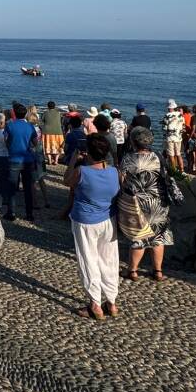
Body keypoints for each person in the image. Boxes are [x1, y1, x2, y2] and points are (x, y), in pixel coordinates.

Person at [64, 132, 120, 320]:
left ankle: (95, 304)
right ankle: (111, 302)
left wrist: (73, 160)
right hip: (108, 219)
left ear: (88, 152)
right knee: (109, 260)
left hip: (86, 220)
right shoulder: (114, 171)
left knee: (88, 260)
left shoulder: (83, 172)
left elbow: (67, 181)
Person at [120, 127, 173, 282]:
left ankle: (133, 271)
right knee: (158, 237)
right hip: (158, 200)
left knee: (139, 237)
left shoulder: (128, 158)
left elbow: (122, 181)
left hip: (138, 201)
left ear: (133, 141)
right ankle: (157, 272)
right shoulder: (158, 157)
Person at [4, 104, 37, 222]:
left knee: (12, 187)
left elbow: (6, 141)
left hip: (14, 159)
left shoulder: (10, 125)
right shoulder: (30, 126)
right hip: (27, 159)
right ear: (25, 114)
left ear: (14, 113)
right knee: (28, 187)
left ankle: (11, 212)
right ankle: (29, 214)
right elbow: (35, 142)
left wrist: (11, 148)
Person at [162, 100, 184, 173]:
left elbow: (164, 128)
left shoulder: (167, 115)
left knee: (171, 154)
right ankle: (181, 169)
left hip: (170, 138)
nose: (168, 109)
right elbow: (183, 125)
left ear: (170, 108)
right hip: (178, 137)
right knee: (178, 154)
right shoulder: (180, 115)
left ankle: (174, 170)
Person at [42, 101, 64, 165]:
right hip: (58, 131)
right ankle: (56, 160)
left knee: (47, 145)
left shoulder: (45, 113)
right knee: (58, 146)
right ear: (55, 106)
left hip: (47, 131)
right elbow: (60, 121)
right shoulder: (59, 113)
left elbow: (42, 120)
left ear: (48, 106)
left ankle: (49, 160)